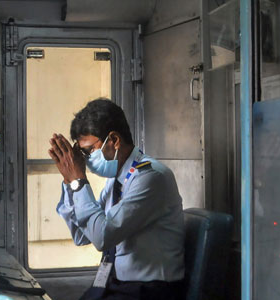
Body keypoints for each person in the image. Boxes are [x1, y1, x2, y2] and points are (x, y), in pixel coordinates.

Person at [48, 98, 185, 300]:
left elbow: (103, 237)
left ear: (114, 140)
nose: (84, 160)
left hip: (150, 289)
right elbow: (82, 235)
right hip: (117, 282)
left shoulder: (150, 177)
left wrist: (78, 180)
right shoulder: (118, 180)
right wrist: (71, 182)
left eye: (88, 151)